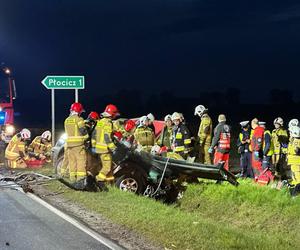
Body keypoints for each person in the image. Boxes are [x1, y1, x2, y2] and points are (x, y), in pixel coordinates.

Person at [93, 104, 119, 184]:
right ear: (112, 114)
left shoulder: (100, 122)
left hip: (99, 148)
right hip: (105, 149)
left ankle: (109, 183)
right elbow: (107, 137)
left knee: (108, 166)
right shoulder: (108, 123)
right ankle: (97, 180)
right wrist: (113, 147)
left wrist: (94, 145)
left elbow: (94, 134)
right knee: (107, 168)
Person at [64, 102, 88, 182]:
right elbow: (83, 131)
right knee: (81, 162)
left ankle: (72, 180)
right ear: (79, 111)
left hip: (69, 145)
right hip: (78, 145)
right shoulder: (79, 119)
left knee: (72, 162)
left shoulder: (67, 120)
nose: (81, 113)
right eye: (81, 111)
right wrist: (86, 138)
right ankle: (81, 180)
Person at [287, 126, 300, 196]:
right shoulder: (293, 140)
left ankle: (295, 194)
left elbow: (296, 151)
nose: (289, 133)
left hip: (296, 162)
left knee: (298, 178)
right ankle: (293, 192)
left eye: (290, 132)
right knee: (294, 177)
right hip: (293, 162)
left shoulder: (297, 141)